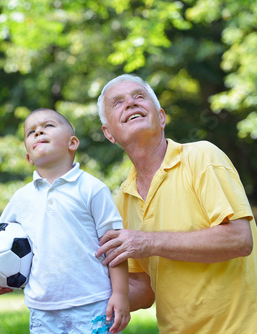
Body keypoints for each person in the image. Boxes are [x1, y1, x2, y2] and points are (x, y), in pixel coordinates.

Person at [94, 74, 257, 333]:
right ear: (109, 133)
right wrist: (63, 291)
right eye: (118, 103)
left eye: (139, 97)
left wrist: (148, 242)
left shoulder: (202, 156)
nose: (131, 104)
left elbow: (239, 239)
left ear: (161, 117)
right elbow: (143, 288)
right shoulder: (122, 199)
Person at [0, 108, 130, 333]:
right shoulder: (21, 198)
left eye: (48, 126)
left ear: (72, 143)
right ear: (28, 157)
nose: (38, 132)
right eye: (31, 132)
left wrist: (120, 294)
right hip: (42, 309)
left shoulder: (93, 189)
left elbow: (115, 245)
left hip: (93, 304)